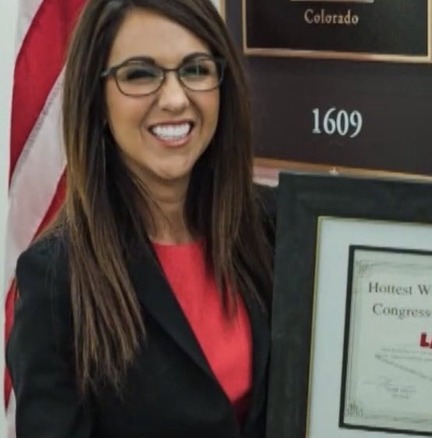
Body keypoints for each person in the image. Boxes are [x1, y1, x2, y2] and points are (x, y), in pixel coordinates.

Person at [6, 0, 275, 436]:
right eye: (140, 74)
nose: (173, 98)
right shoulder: (54, 280)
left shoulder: (275, 227)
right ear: (97, 99)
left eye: (196, 69)